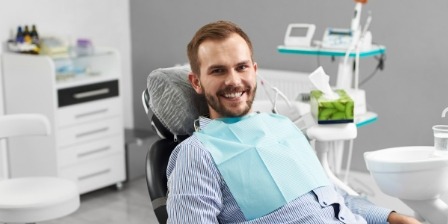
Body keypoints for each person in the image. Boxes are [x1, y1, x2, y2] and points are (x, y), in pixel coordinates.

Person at [166, 20, 421, 224]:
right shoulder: (197, 155)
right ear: (197, 82)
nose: (233, 80)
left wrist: (392, 217)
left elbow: (330, 194)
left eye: (241, 67)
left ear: (255, 70)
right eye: (218, 70)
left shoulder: (282, 126)